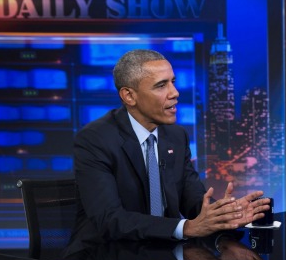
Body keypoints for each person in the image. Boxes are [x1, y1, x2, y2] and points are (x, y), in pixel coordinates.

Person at [68, 49, 270, 249]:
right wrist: (186, 228)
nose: (175, 93)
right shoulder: (95, 139)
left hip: (168, 258)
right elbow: (109, 219)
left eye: (173, 82)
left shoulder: (176, 136)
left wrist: (224, 214)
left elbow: (193, 200)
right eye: (161, 85)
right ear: (129, 96)